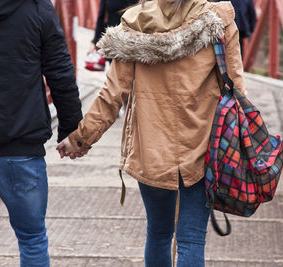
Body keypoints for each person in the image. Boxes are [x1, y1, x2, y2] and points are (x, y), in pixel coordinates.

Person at [57, 0, 246, 265]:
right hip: (204, 150)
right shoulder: (218, 20)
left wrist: (80, 138)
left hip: (151, 151)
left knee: (158, 234)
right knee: (191, 240)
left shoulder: (134, 23)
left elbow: (111, 96)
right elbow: (236, 88)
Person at [0, 0, 83, 266]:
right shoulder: (36, 8)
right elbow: (60, 72)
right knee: (33, 240)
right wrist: (72, 131)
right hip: (22, 149)